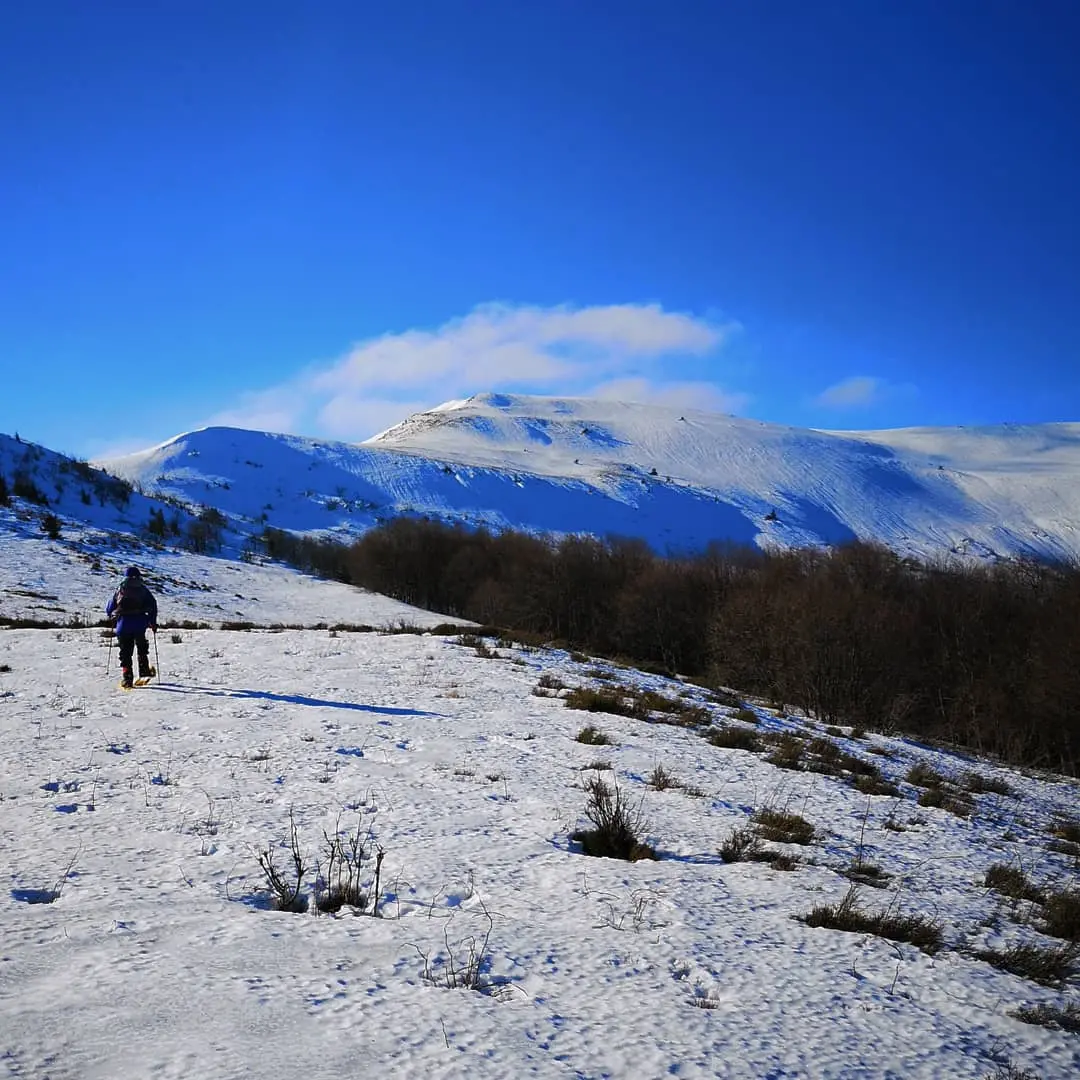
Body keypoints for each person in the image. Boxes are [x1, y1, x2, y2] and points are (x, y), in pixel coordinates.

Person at [106, 566, 158, 687]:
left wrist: (112, 616)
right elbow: (153, 605)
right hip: (140, 623)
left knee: (125, 652)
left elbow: (110, 607)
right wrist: (152, 622)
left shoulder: (120, 589)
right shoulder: (143, 589)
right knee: (142, 647)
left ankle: (127, 678)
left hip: (123, 624)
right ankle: (144, 670)